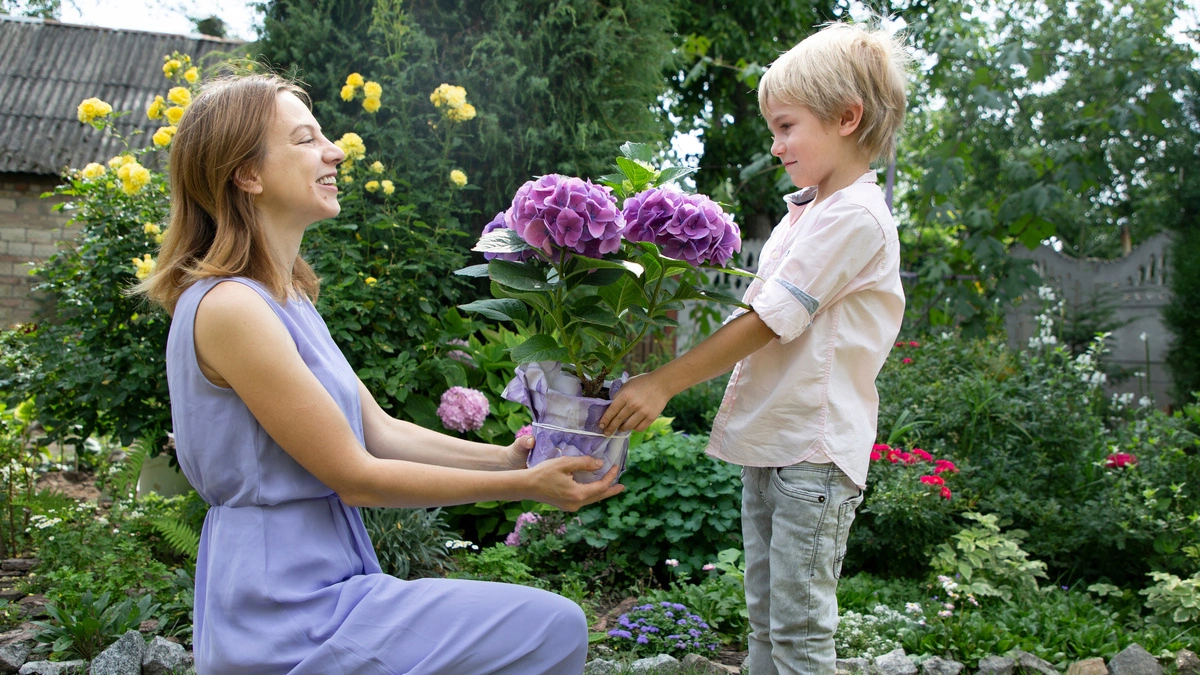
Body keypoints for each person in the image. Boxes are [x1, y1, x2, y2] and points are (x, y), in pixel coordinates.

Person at [135, 74, 624, 675]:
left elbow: (380, 431)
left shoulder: (287, 302)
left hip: (331, 583)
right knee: (550, 627)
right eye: (305, 139)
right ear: (248, 174)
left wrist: (507, 459)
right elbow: (356, 477)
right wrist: (527, 487)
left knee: (546, 629)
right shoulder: (231, 308)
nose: (334, 151)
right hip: (283, 609)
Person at [599, 21, 911, 675]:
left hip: (813, 451)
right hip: (776, 441)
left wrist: (662, 382)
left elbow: (770, 319)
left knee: (798, 636)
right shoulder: (810, 212)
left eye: (787, 126)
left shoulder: (854, 216)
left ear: (847, 117)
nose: (775, 145)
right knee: (767, 627)